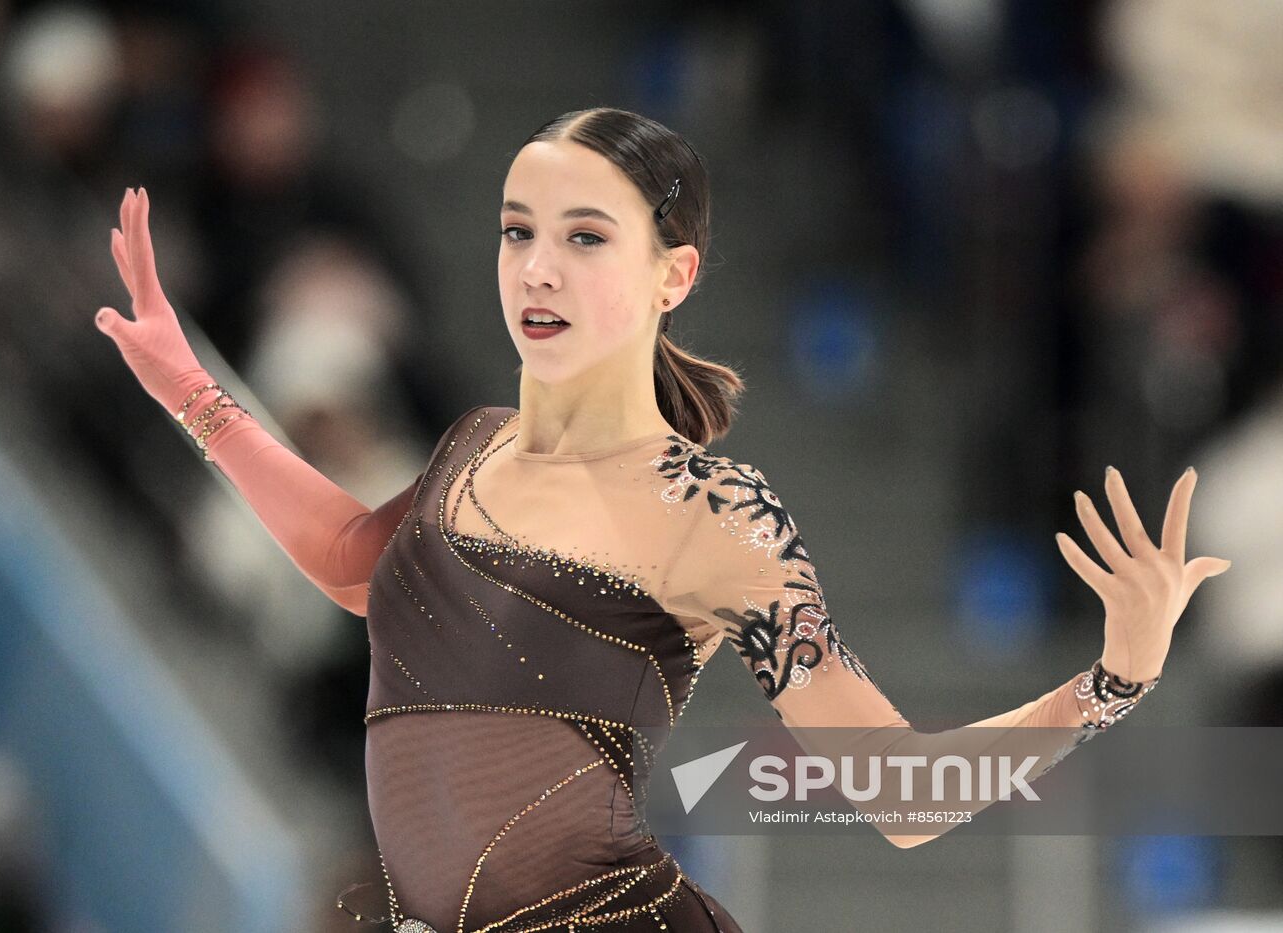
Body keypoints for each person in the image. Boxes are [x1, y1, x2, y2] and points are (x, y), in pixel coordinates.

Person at [94, 108, 1232, 932]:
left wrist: (1109, 685)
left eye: (584, 236)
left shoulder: (714, 514)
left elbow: (896, 794)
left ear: (671, 274)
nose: (537, 268)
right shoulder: (469, 445)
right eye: (515, 230)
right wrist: (191, 393)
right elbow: (351, 563)